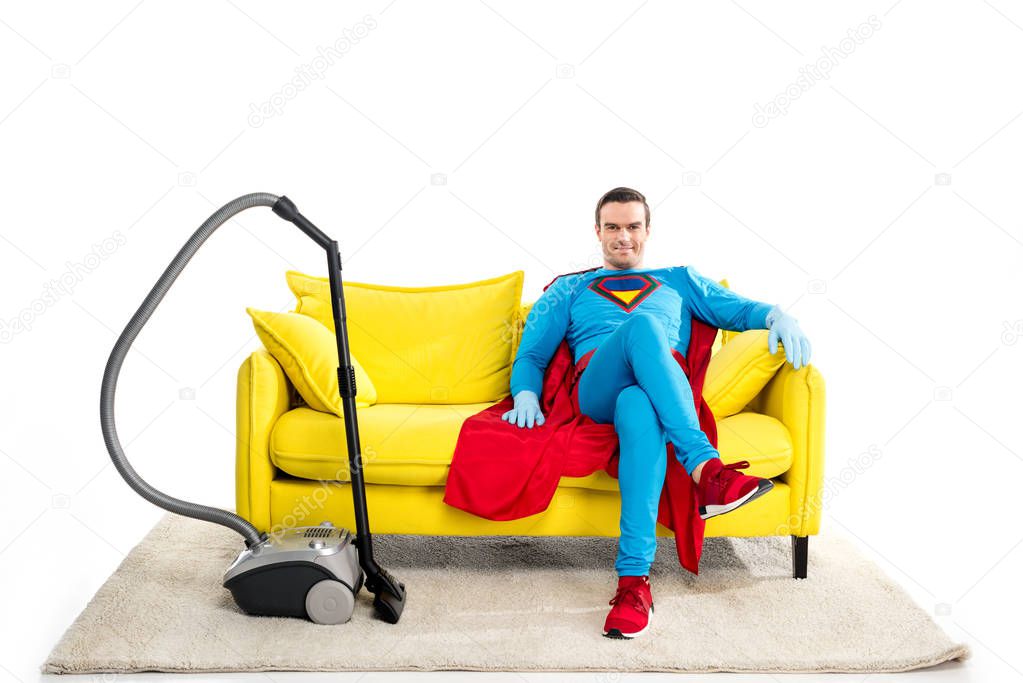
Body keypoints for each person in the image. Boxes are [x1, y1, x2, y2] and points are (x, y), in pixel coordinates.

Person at [502, 187, 811, 639]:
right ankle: (707, 470)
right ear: (597, 231)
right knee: (642, 329)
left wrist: (778, 316)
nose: (622, 236)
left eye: (632, 226)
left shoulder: (680, 279)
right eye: (613, 227)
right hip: (596, 390)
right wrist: (525, 394)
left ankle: (633, 584)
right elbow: (531, 357)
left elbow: (738, 309)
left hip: (652, 394)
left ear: (647, 231)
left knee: (640, 405)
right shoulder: (569, 288)